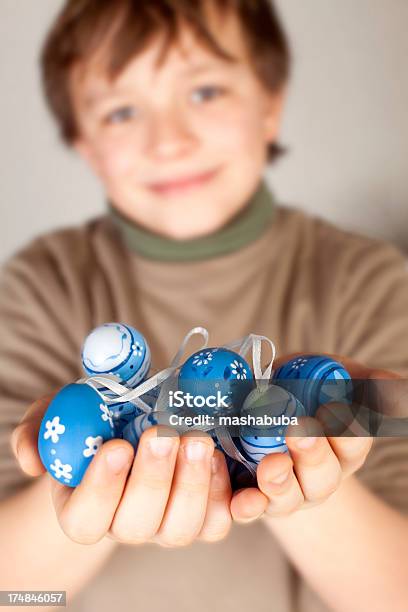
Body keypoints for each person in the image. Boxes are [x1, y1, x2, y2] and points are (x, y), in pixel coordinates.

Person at [1, 1, 407, 611]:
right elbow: (13, 594)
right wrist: (87, 506)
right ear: (83, 143)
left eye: (206, 90)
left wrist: (291, 477)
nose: (169, 140)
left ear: (270, 103)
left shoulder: (365, 281)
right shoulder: (40, 286)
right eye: (122, 110)